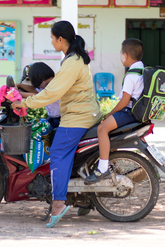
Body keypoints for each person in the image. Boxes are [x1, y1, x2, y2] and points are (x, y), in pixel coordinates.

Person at [12, 21, 102, 228]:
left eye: (52, 38)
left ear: (61, 39)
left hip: (78, 117)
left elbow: (52, 92)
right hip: (83, 113)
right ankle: (83, 198)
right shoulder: (74, 59)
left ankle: (59, 203)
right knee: (69, 155)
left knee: (57, 153)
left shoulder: (71, 62)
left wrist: (24, 103)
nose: (52, 42)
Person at [85, 39, 144, 184]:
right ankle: (114, 164)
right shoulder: (142, 69)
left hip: (129, 113)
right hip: (137, 112)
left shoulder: (131, 75)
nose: (120, 56)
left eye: (121, 53)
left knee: (102, 129)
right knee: (110, 131)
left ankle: (103, 168)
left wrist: (109, 113)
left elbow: (124, 102)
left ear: (126, 55)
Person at [17, 62, 61, 130]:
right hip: (53, 118)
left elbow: (37, 95)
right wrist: (19, 85)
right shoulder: (45, 86)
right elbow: (35, 90)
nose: (49, 84)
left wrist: (18, 93)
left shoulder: (53, 87)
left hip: (60, 120)